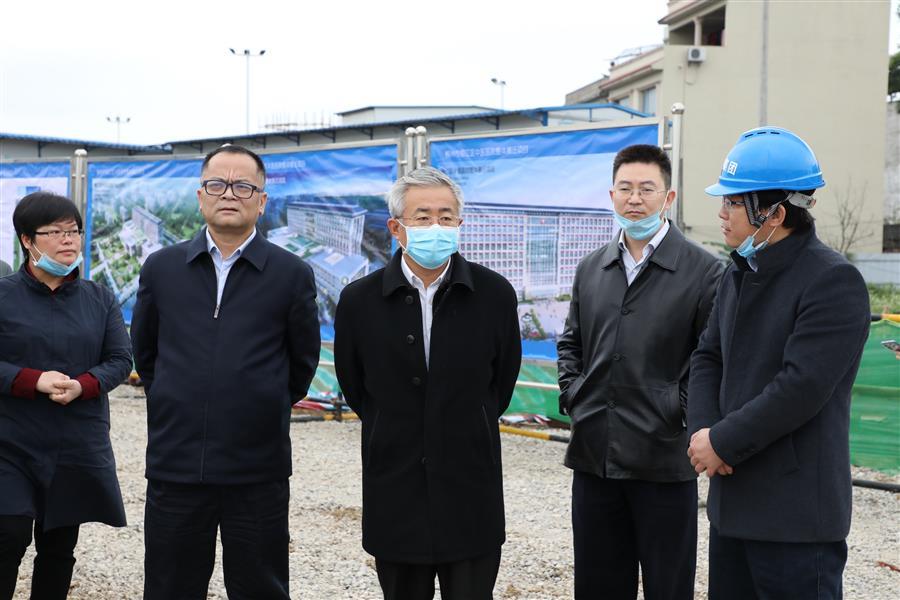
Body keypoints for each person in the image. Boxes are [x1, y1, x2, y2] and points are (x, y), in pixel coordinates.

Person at [687, 126, 870, 599]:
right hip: (732, 506)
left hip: (795, 520)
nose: (721, 213)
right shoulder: (738, 271)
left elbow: (800, 387)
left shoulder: (832, 281)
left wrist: (723, 442)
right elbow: (707, 356)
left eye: (732, 202)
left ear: (774, 214)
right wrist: (704, 433)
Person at [131, 145, 320, 600]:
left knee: (260, 587)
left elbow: (302, 363)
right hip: (176, 465)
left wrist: (261, 401)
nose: (229, 194)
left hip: (257, 469)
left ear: (262, 200)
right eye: (217, 184)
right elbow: (146, 353)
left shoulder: (291, 273)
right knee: (170, 587)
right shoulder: (163, 268)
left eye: (243, 186)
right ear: (201, 196)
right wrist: (176, 396)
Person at [334, 167, 522, 600]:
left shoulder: (494, 294)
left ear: (460, 223)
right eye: (422, 217)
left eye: (446, 216)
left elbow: (501, 383)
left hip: (470, 488)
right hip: (395, 488)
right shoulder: (360, 301)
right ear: (396, 228)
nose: (436, 226)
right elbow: (356, 386)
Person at [557, 144, 723, 600]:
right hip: (594, 457)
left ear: (668, 197)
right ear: (611, 194)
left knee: (668, 586)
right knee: (598, 584)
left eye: (647, 189)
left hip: (664, 460)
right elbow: (571, 343)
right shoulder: (592, 267)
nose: (635, 199)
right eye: (625, 188)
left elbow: (710, 359)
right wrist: (575, 396)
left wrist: (678, 411)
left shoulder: (704, 272)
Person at [0, 192, 130, 599]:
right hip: (11, 439)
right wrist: (31, 380)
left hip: (75, 439)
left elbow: (120, 359)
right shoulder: (3, 295)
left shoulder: (99, 298)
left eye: (73, 230)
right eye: (55, 232)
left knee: (58, 547)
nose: (68, 239)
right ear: (27, 240)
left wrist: (83, 385)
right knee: (8, 534)